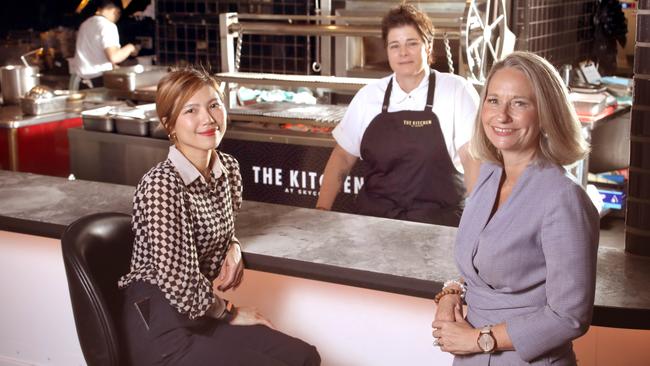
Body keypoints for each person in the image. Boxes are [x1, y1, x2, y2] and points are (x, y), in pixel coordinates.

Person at [118, 67, 321, 366]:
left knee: (303, 357)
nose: (208, 118)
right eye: (191, 110)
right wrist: (230, 312)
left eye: (214, 105)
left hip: (199, 316)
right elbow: (179, 282)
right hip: (160, 326)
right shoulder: (161, 184)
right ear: (168, 123)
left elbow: (222, 227)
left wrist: (233, 245)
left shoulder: (229, 169)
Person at [431, 51, 600, 365]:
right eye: (493, 100)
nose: (501, 115)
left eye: (519, 103)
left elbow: (569, 317)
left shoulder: (563, 198)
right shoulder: (489, 176)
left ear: (545, 113)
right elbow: (488, 263)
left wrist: (479, 339)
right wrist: (451, 292)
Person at [315, 4, 480, 226]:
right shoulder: (369, 96)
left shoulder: (456, 90)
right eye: (395, 45)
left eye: (412, 43)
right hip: (375, 221)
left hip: (438, 223)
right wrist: (321, 210)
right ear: (387, 51)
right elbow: (342, 158)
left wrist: (480, 220)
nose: (403, 53)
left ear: (428, 47)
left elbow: (472, 158)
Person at [68, 0, 140, 90]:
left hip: (80, 82)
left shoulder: (85, 24)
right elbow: (114, 57)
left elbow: (94, 53)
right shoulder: (108, 26)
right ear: (115, 11)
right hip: (98, 82)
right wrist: (131, 47)